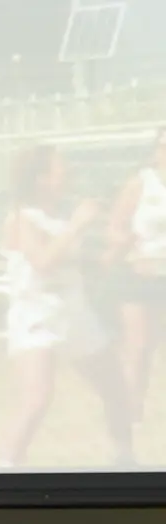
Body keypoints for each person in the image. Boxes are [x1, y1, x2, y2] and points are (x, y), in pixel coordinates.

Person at [0, 146, 132, 468]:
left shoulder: (61, 215)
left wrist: (117, 249)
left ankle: (126, 460)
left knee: (115, 386)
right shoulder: (22, 217)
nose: (69, 172)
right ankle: (5, 470)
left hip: (73, 311)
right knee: (38, 398)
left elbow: (82, 265)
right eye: (62, 168)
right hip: (37, 314)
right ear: (42, 179)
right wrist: (77, 225)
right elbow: (42, 261)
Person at [109, 128, 166, 427]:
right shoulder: (141, 184)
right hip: (138, 272)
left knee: (152, 345)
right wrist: (129, 250)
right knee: (139, 346)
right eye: (162, 146)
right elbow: (114, 227)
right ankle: (131, 412)